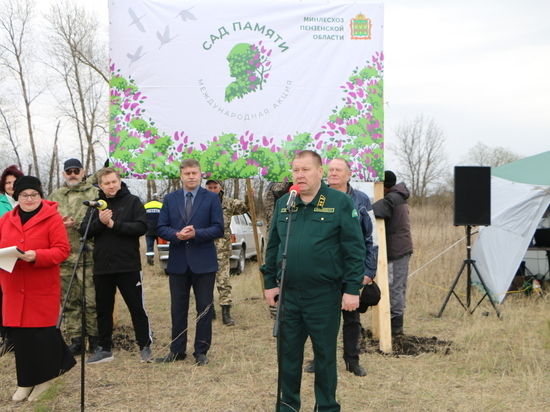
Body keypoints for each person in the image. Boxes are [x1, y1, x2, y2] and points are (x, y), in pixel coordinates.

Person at [261, 150, 366, 411]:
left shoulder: (339, 202)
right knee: (287, 356)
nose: (300, 175)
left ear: (320, 172)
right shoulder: (286, 201)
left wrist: (352, 289)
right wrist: (269, 282)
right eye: (296, 170)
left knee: (324, 357)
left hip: (324, 295)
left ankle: (327, 406)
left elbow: (355, 249)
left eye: (306, 169)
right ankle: (288, 406)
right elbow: (273, 245)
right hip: (289, 295)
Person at [0, 176, 75, 402]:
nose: (29, 199)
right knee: (21, 338)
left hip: (40, 285)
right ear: (17, 197)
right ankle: (26, 381)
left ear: (41, 196)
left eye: (34, 195)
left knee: (40, 335)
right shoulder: (5, 219)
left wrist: (37, 255)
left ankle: (45, 379)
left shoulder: (52, 218)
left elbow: (63, 250)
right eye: (24, 195)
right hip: (13, 286)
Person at [304, 157, 377, 377]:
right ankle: (320, 359)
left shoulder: (363, 200)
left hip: (352, 271)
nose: (333, 173)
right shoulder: (317, 197)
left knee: (352, 318)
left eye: (338, 170)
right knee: (322, 320)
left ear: (348, 174)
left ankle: (352, 361)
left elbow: (371, 238)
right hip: (324, 272)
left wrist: (368, 271)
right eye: (330, 170)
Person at [79, 167, 153, 364]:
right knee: (103, 309)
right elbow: (83, 231)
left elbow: (141, 227)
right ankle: (105, 348)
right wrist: (100, 222)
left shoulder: (133, 201)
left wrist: (115, 225)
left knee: (136, 308)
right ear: (100, 186)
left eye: (114, 181)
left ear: (119, 181)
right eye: (106, 183)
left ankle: (144, 346)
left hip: (128, 266)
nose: (111, 186)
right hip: (102, 267)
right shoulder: (95, 205)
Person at [156, 159, 223, 366]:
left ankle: (201, 350)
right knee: (178, 308)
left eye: (194, 173)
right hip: (178, 262)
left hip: (203, 262)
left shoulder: (211, 198)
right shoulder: (170, 198)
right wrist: (177, 234)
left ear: (200, 174)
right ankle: (177, 350)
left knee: (204, 307)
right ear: (181, 176)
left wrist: (195, 234)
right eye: (187, 174)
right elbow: (161, 227)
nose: (191, 177)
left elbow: (218, 228)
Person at [49, 158, 99, 356]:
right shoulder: (55, 196)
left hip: (89, 256)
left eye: (76, 171)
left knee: (92, 300)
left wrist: (76, 223)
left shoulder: (94, 193)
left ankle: (95, 340)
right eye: (68, 171)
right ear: (63, 174)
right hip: (64, 257)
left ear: (83, 172)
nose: (72, 174)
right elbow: (47, 222)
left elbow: (99, 221)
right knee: (69, 301)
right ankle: (76, 339)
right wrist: (59, 224)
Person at [372, 170, 413, 336]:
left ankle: (395, 328)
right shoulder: (398, 196)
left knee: (394, 287)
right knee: (399, 287)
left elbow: (373, 210)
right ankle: (395, 323)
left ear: (385, 186)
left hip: (397, 249)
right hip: (402, 247)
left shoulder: (392, 199)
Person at [205, 179, 249, 326]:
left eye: (215, 187)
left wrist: (249, 195)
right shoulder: (200, 202)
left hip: (222, 248)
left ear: (220, 188)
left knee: (223, 280)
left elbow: (245, 207)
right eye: (209, 187)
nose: (212, 189)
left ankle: (226, 311)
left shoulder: (228, 203)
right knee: (205, 280)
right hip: (204, 246)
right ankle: (208, 310)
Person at [0, 165, 24, 358]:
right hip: (4, 256)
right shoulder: (0, 203)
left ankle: (22, 335)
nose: (10, 185)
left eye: (14, 182)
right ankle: (6, 337)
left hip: (26, 256)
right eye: (7, 182)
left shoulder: (27, 202)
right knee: (4, 297)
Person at [144, 194, 163, 266]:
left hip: (149, 229)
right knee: (160, 246)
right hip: (160, 229)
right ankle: (161, 259)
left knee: (149, 246)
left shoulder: (146, 206)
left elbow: (143, 217)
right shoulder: (162, 205)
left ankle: (150, 259)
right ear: (158, 198)